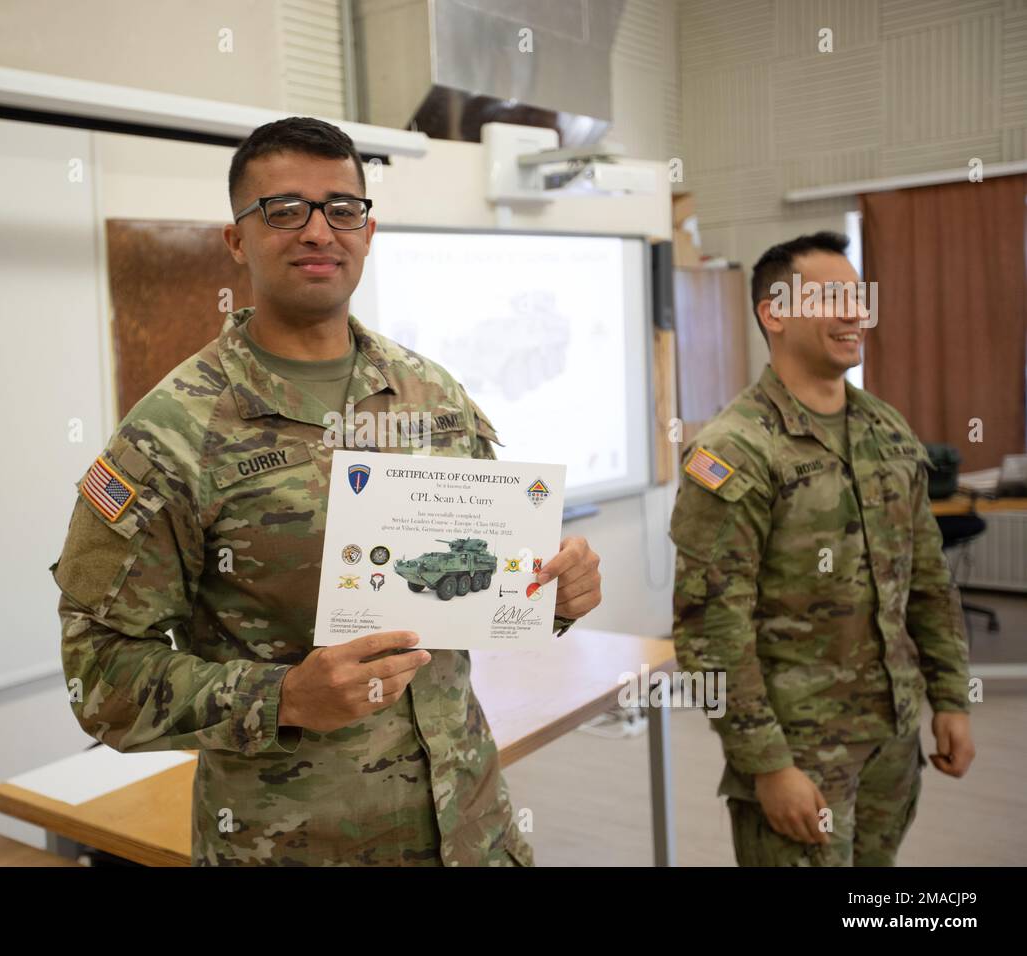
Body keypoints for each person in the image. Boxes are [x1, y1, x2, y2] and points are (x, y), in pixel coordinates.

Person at [50, 116, 603, 866]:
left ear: (367, 232)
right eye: (284, 210)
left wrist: (551, 596)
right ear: (237, 240)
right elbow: (99, 678)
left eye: (342, 208)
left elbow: (479, 593)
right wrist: (282, 697)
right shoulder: (172, 435)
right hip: (293, 846)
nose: (318, 230)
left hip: (469, 830)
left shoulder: (430, 396)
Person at [669, 231, 975, 866]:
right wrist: (767, 764)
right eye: (832, 296)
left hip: (892, 741)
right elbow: (710, 629)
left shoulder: (887, 429)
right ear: (774, 312)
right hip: (798, 751)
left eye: (858, 296)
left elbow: (927, 578)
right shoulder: (735, 450)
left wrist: (950, 697)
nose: (854, 312)